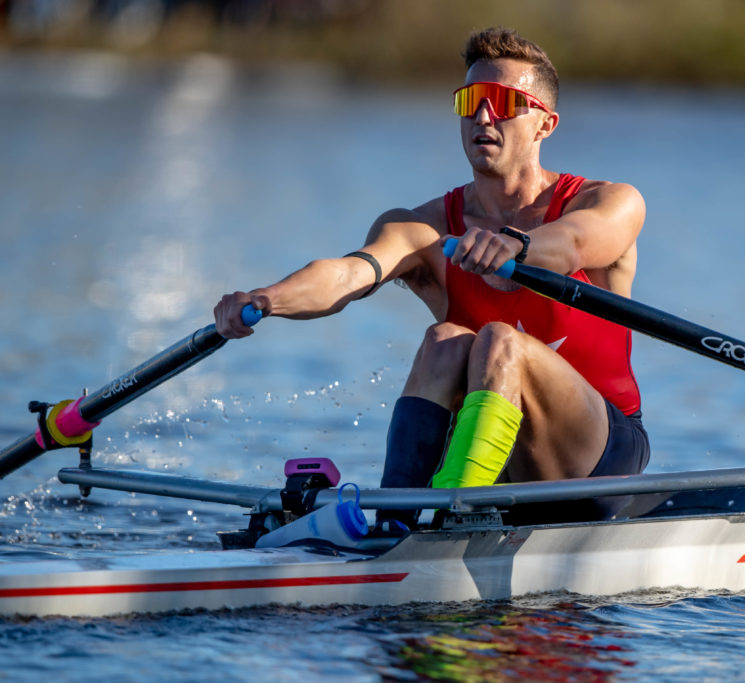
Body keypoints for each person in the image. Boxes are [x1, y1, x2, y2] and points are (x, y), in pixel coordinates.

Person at [215, 27, 648, 528]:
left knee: (500, 342)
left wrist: (517, 246)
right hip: (502, 466)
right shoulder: (425, 228)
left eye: (505, 103)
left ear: (544, 124)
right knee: (443, 340)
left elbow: (573, 242)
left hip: (601, 462)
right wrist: (266, 298)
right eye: (470, 101)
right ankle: (395, 521)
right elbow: (348, 273)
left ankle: (452, 516)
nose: (483, 117)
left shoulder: (609, 202)